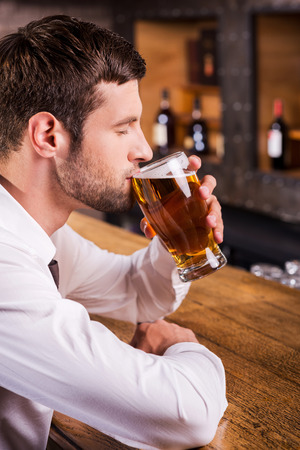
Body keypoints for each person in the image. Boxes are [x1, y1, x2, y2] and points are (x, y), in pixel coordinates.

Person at [0, 15, 227, 450]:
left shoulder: (36, 231)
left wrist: (176, 238)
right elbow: (186, 414)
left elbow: (135, 290)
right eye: (123, 128)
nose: (143, 150)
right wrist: (184, 347)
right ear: (48, 135)